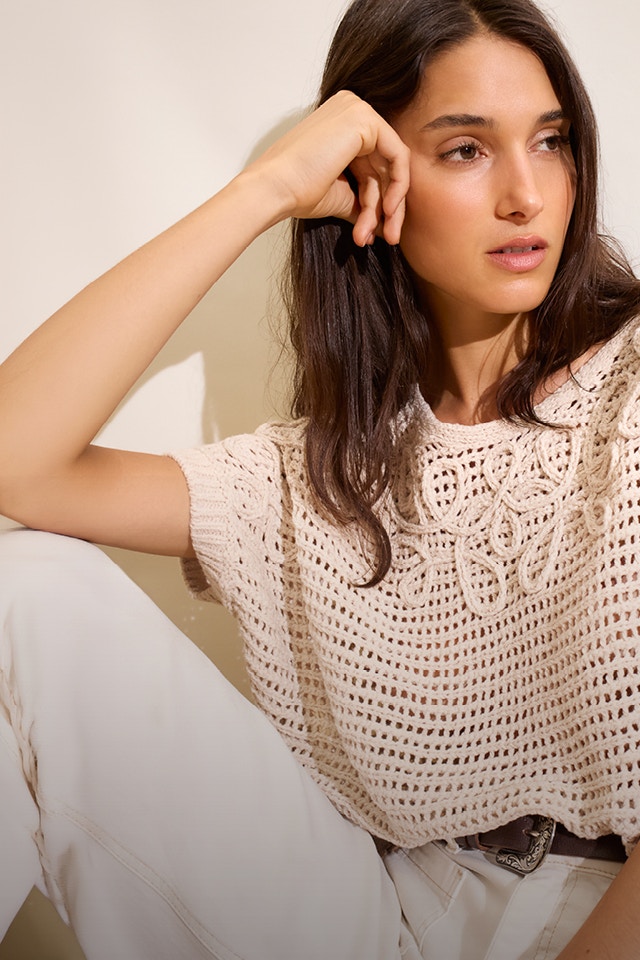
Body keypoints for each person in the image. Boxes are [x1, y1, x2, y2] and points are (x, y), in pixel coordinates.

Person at [1, 0, 640, 956]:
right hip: (367, 918)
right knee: (28, 587)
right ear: (373, 175)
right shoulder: (317, 475)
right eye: (465, 149)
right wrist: (261, 190)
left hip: (600, 910)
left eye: (550, 141)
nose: (526, 194)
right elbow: (17, 463)